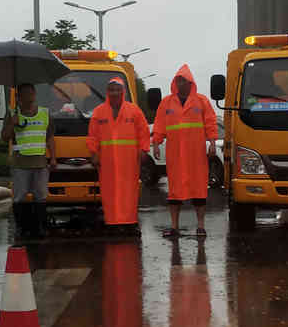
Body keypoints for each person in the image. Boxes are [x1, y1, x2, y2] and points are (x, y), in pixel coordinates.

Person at [152, 64, 218, 238]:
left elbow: (210, 122)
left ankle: (201, 226)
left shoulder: (201, 101)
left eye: (185, 81)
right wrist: (156, 143)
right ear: (175, 82)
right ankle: (174, 227)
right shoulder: (166, 102)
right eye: (179, 80)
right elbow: (159, 124)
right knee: (174, 190)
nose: (182, 84)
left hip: (196, 154)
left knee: (199, 189)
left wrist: (212, 142)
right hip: (175, 154)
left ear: (191, 83)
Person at [87, 77, 149, 234]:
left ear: (123, 92)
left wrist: (143, 149)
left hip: (129, 159)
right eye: (111, 90)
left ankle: (129, 223)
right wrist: (93, 153)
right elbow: (93, 135)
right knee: (109, 191)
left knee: (129, 190)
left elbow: (143, 132)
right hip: (106, 159)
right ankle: (113, 222)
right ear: (107, 92)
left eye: (117, 89)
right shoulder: (99, 111)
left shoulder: (134, 110)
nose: (114, 93)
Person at [0, 82, 56, 239]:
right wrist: (12, 123)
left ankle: (40, 229)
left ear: (34, 94)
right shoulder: (12, 114)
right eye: (24, 94)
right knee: (19, 197)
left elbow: (50, 138)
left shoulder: (44, 113)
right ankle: (22, 229)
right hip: (20, 164)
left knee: (41, 196)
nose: (29, 97)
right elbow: (4, 137)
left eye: (31, 93)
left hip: (40, 164)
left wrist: (53, 158)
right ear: (18, 97)